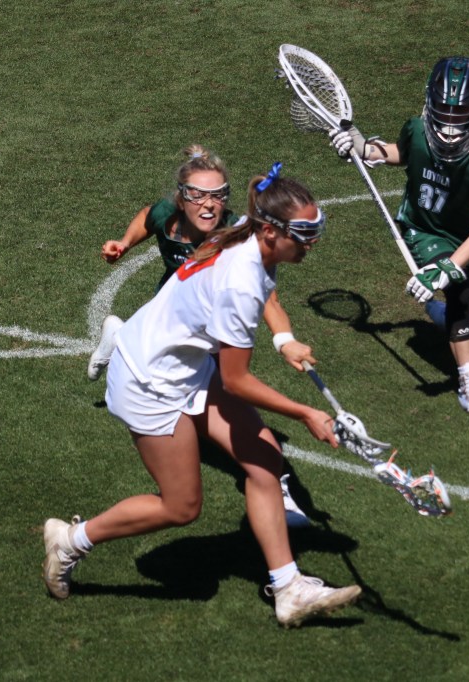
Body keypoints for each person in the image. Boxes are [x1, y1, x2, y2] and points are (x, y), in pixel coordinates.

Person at [44, 165, 362, 627]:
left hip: (184, 364)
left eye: (317, 230)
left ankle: (288, 588)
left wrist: (283, 340)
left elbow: (267, 297)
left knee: (264, 458)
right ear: (271, 231)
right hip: (149, 381)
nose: (312, 242)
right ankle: (70, 541)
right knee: (181, 506)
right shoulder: (239, 283)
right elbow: (237, 381)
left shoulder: (248, 233)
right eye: (305, 233)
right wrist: (305, 413)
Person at [89, 145, 315, 526]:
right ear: (181, 198)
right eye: (198, 195)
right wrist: (124, 243)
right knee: (221, 397)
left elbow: (269, 298)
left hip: (199, 322)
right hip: (178, 319)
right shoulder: (170, 216)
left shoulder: (237, 232)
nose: (209, 204)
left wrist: (284, 339)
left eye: (218, 195)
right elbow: (146, 217)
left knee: (232, 408)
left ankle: (275, 490)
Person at [329, 56, 469, 421]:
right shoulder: (416, 129)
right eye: (445, 109)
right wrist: (364, 147)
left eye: (460, 111)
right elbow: (402, 153)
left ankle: (441, 315)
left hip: (466, 237)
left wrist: (445, 268)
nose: (451, 122)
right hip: (424, 230)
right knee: (458, 288)